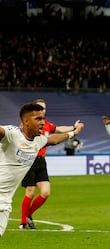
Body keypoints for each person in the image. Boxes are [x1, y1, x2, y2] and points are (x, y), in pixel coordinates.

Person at [0, 101, 84, 237]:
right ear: (26, 121)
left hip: (4, 204)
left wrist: (73, 133)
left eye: (43, 118)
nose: (43, 122)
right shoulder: (12, 134)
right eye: (38, 119)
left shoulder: (38, 141)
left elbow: (54, 139)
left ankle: (26, 217)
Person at [19, 99, 82, 230]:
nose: (43, 110)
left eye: (44, 108)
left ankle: (28, 215)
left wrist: (73, 127)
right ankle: (22, 222)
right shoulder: (28, 125)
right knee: (30, 192)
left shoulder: (46, 124)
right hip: (29, 159)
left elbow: (58, 130)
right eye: (40, 108)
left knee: (45, 192)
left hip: (41, 161)